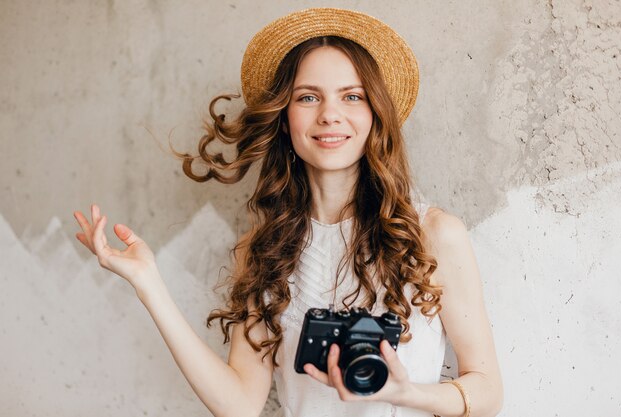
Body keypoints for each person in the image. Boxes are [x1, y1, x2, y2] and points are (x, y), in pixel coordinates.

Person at [73, 8, 502, 417]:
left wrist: (410, 394)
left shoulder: (432, 234)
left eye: (352, 96)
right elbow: (238, 405)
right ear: (284, 117)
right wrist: (149, 284)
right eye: (308, 97)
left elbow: (488, 390)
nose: (330, 115)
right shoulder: (263, 250)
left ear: (375, 114)